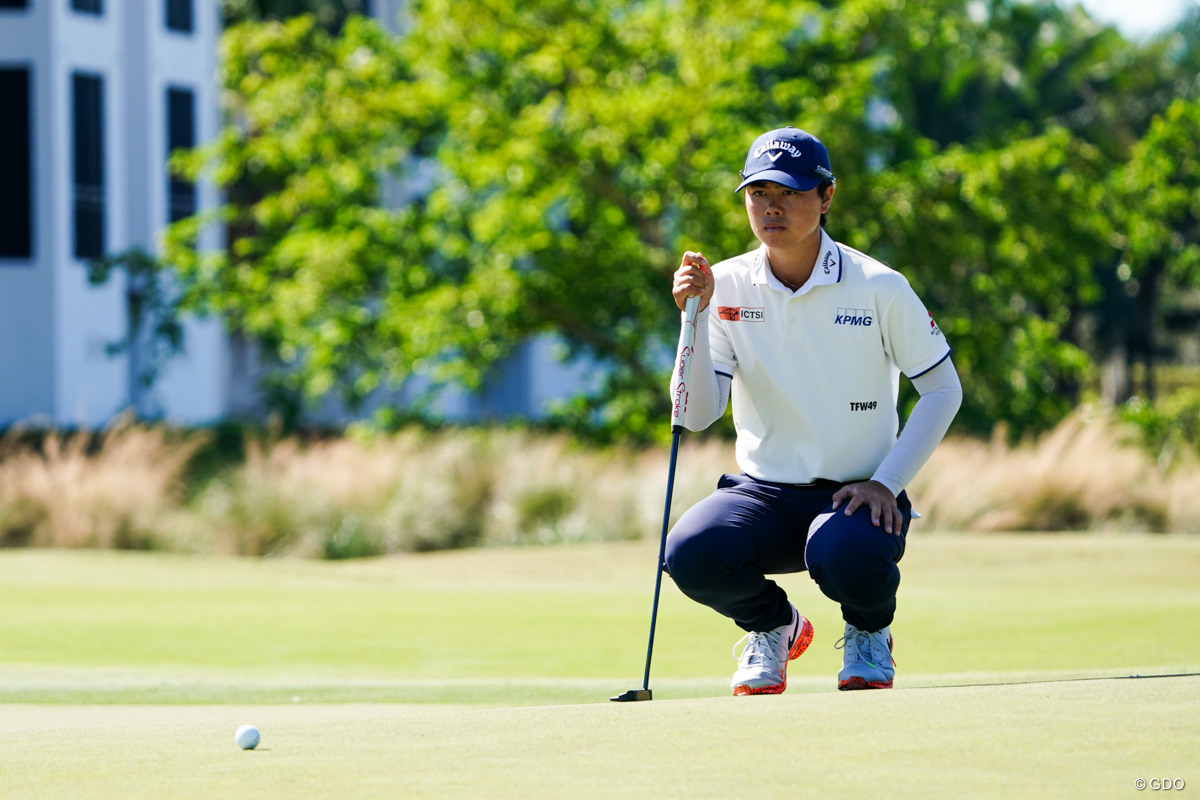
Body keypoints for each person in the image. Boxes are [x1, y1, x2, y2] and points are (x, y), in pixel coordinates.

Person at [666, 126, 962, 694]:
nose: (772, 207)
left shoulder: (880, 285)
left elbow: (944, 390)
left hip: (857, 497)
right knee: (690, 551)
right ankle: (774, 626)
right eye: (758, 194)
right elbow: (697, 413)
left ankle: (869, 632)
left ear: (826, 197)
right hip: (763, 496)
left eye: (791, 192)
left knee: (845, 552)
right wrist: (694, 319)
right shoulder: (723, 285)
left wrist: (886, 483)